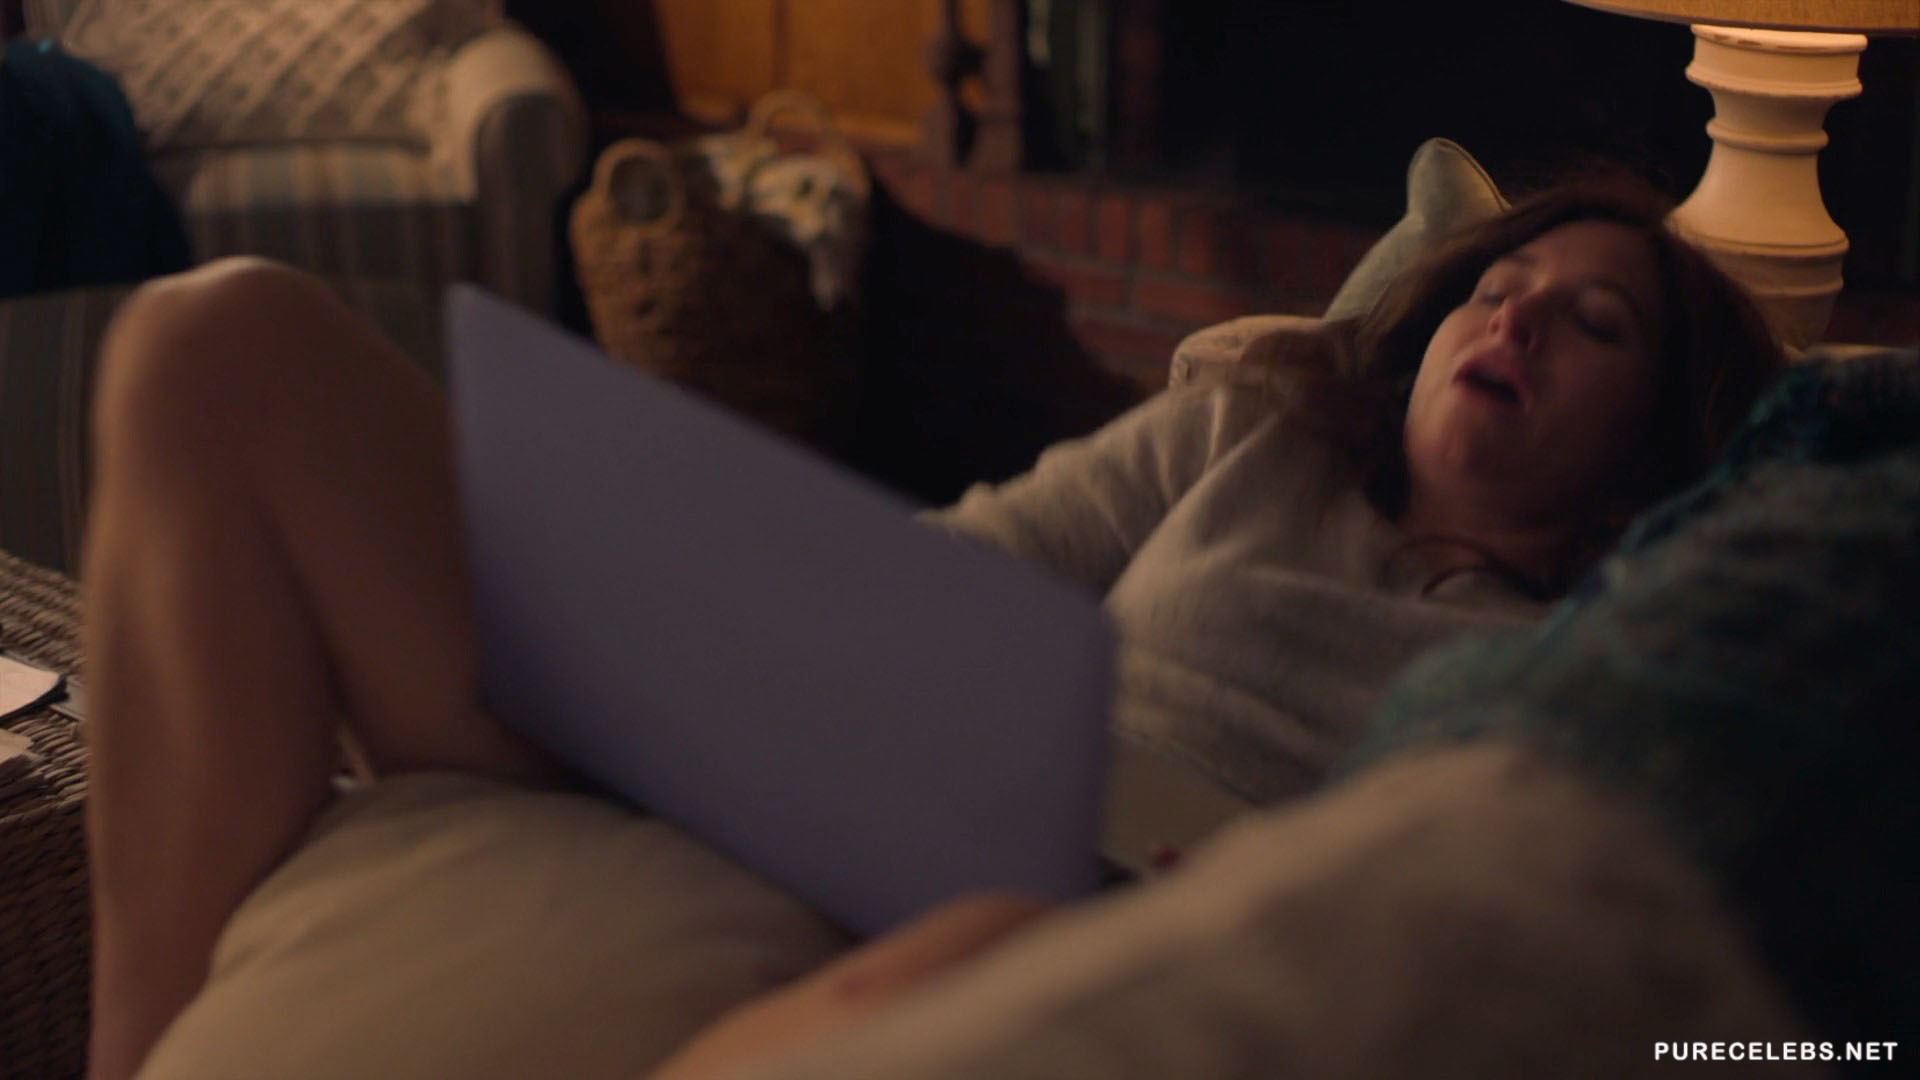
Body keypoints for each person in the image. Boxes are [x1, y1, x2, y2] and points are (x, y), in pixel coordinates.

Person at [79, 178, 1783, 1079]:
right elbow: (948, 572)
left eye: (1594, 324)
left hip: (1117, 908)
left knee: (981, 947)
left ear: (1654, 447)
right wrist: (713, 593)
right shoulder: (1254, 435)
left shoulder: (1597, 652)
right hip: (865, 759)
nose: (1513, 322)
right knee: (217, 342)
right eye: (1495, 287)